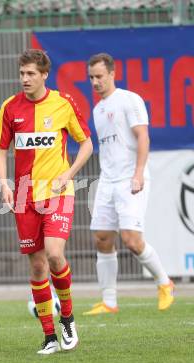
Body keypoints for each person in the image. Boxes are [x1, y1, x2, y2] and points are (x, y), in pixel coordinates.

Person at [0, 49, 93, 355]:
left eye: (31, 74)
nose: (25, 79)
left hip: (58, 193)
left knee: (53, 254)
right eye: (22, 73)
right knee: (37, 267)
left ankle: (67, 317)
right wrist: (4, 183)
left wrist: (69, 173)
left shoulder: (63, 103)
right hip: (24, 196)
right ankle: (49, 336)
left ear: (44, 75)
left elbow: (86, 143)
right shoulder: (10, 107)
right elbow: (0, 150)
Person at [84, 53, 174, 315]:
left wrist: (138, 173)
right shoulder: (98, 109)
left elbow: (143, 137)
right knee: (102, 237)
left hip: (129, 179)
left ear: (112, 74)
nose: (95, 82)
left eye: (99, 76)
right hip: (108, 181)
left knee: (132, 240)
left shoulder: (129, 100)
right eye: (91, 77)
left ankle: (164, 283)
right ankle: (109, 302)